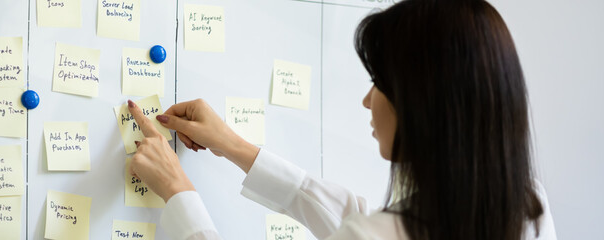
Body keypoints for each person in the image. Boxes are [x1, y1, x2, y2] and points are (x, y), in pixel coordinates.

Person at [125, 0, 556, 239]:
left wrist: (180, 193)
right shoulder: (525, 206)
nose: (368, 101)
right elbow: (362, 218)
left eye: (379, 82)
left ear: (423, 103)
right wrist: (235, 146)